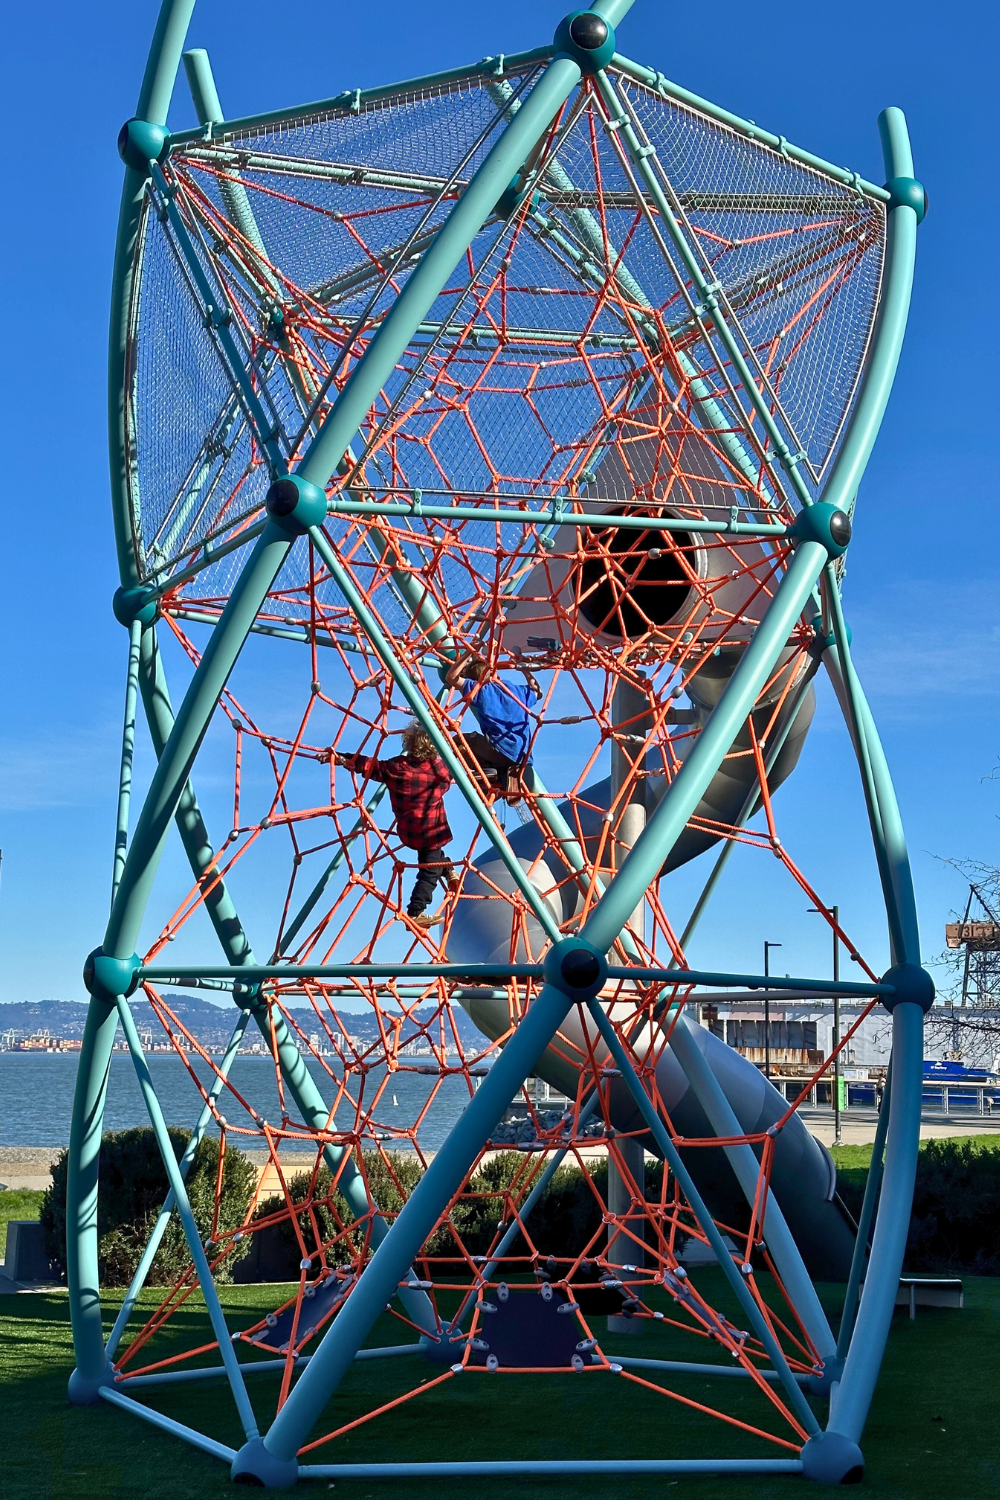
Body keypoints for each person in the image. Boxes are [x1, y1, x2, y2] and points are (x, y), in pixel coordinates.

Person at [330, 722, 457, 928]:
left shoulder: (397, 768)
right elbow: (455, 775)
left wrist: (340, 758)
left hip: (409, 833)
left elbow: (369, 765)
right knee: (429, 870)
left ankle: (449, 868)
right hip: (433, 832)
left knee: (431, 856)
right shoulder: (440, 770)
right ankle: (416, 911)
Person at [445, 651, 541, 799]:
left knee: (460, 741)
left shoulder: (480, 690)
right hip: (524, 756)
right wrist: (525, 671)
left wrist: (470, 651)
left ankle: (488, 772)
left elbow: (451, 677)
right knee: (489, 745)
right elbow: (537, 691)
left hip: (500, 753)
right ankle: (504, 778)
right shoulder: (516, 691)